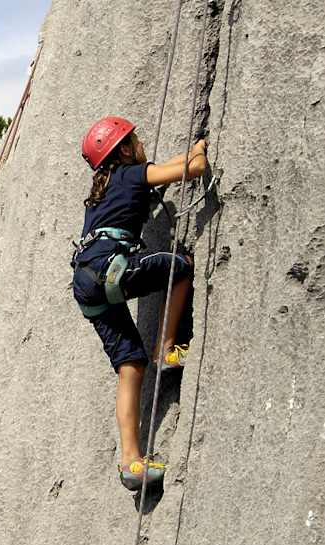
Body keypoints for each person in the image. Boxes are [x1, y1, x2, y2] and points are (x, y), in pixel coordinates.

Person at [70, 115, 207, 491]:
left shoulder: (101, 193)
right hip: (111, 269)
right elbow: (191, 169)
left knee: (130, 363)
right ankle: (166, 349)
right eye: (135, 139)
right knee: (180, 268)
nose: (140, 143)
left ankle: (131, 462)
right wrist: (199, 149)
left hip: (86, 282)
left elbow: (158, 178)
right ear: (125, 150)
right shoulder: (131, 173)